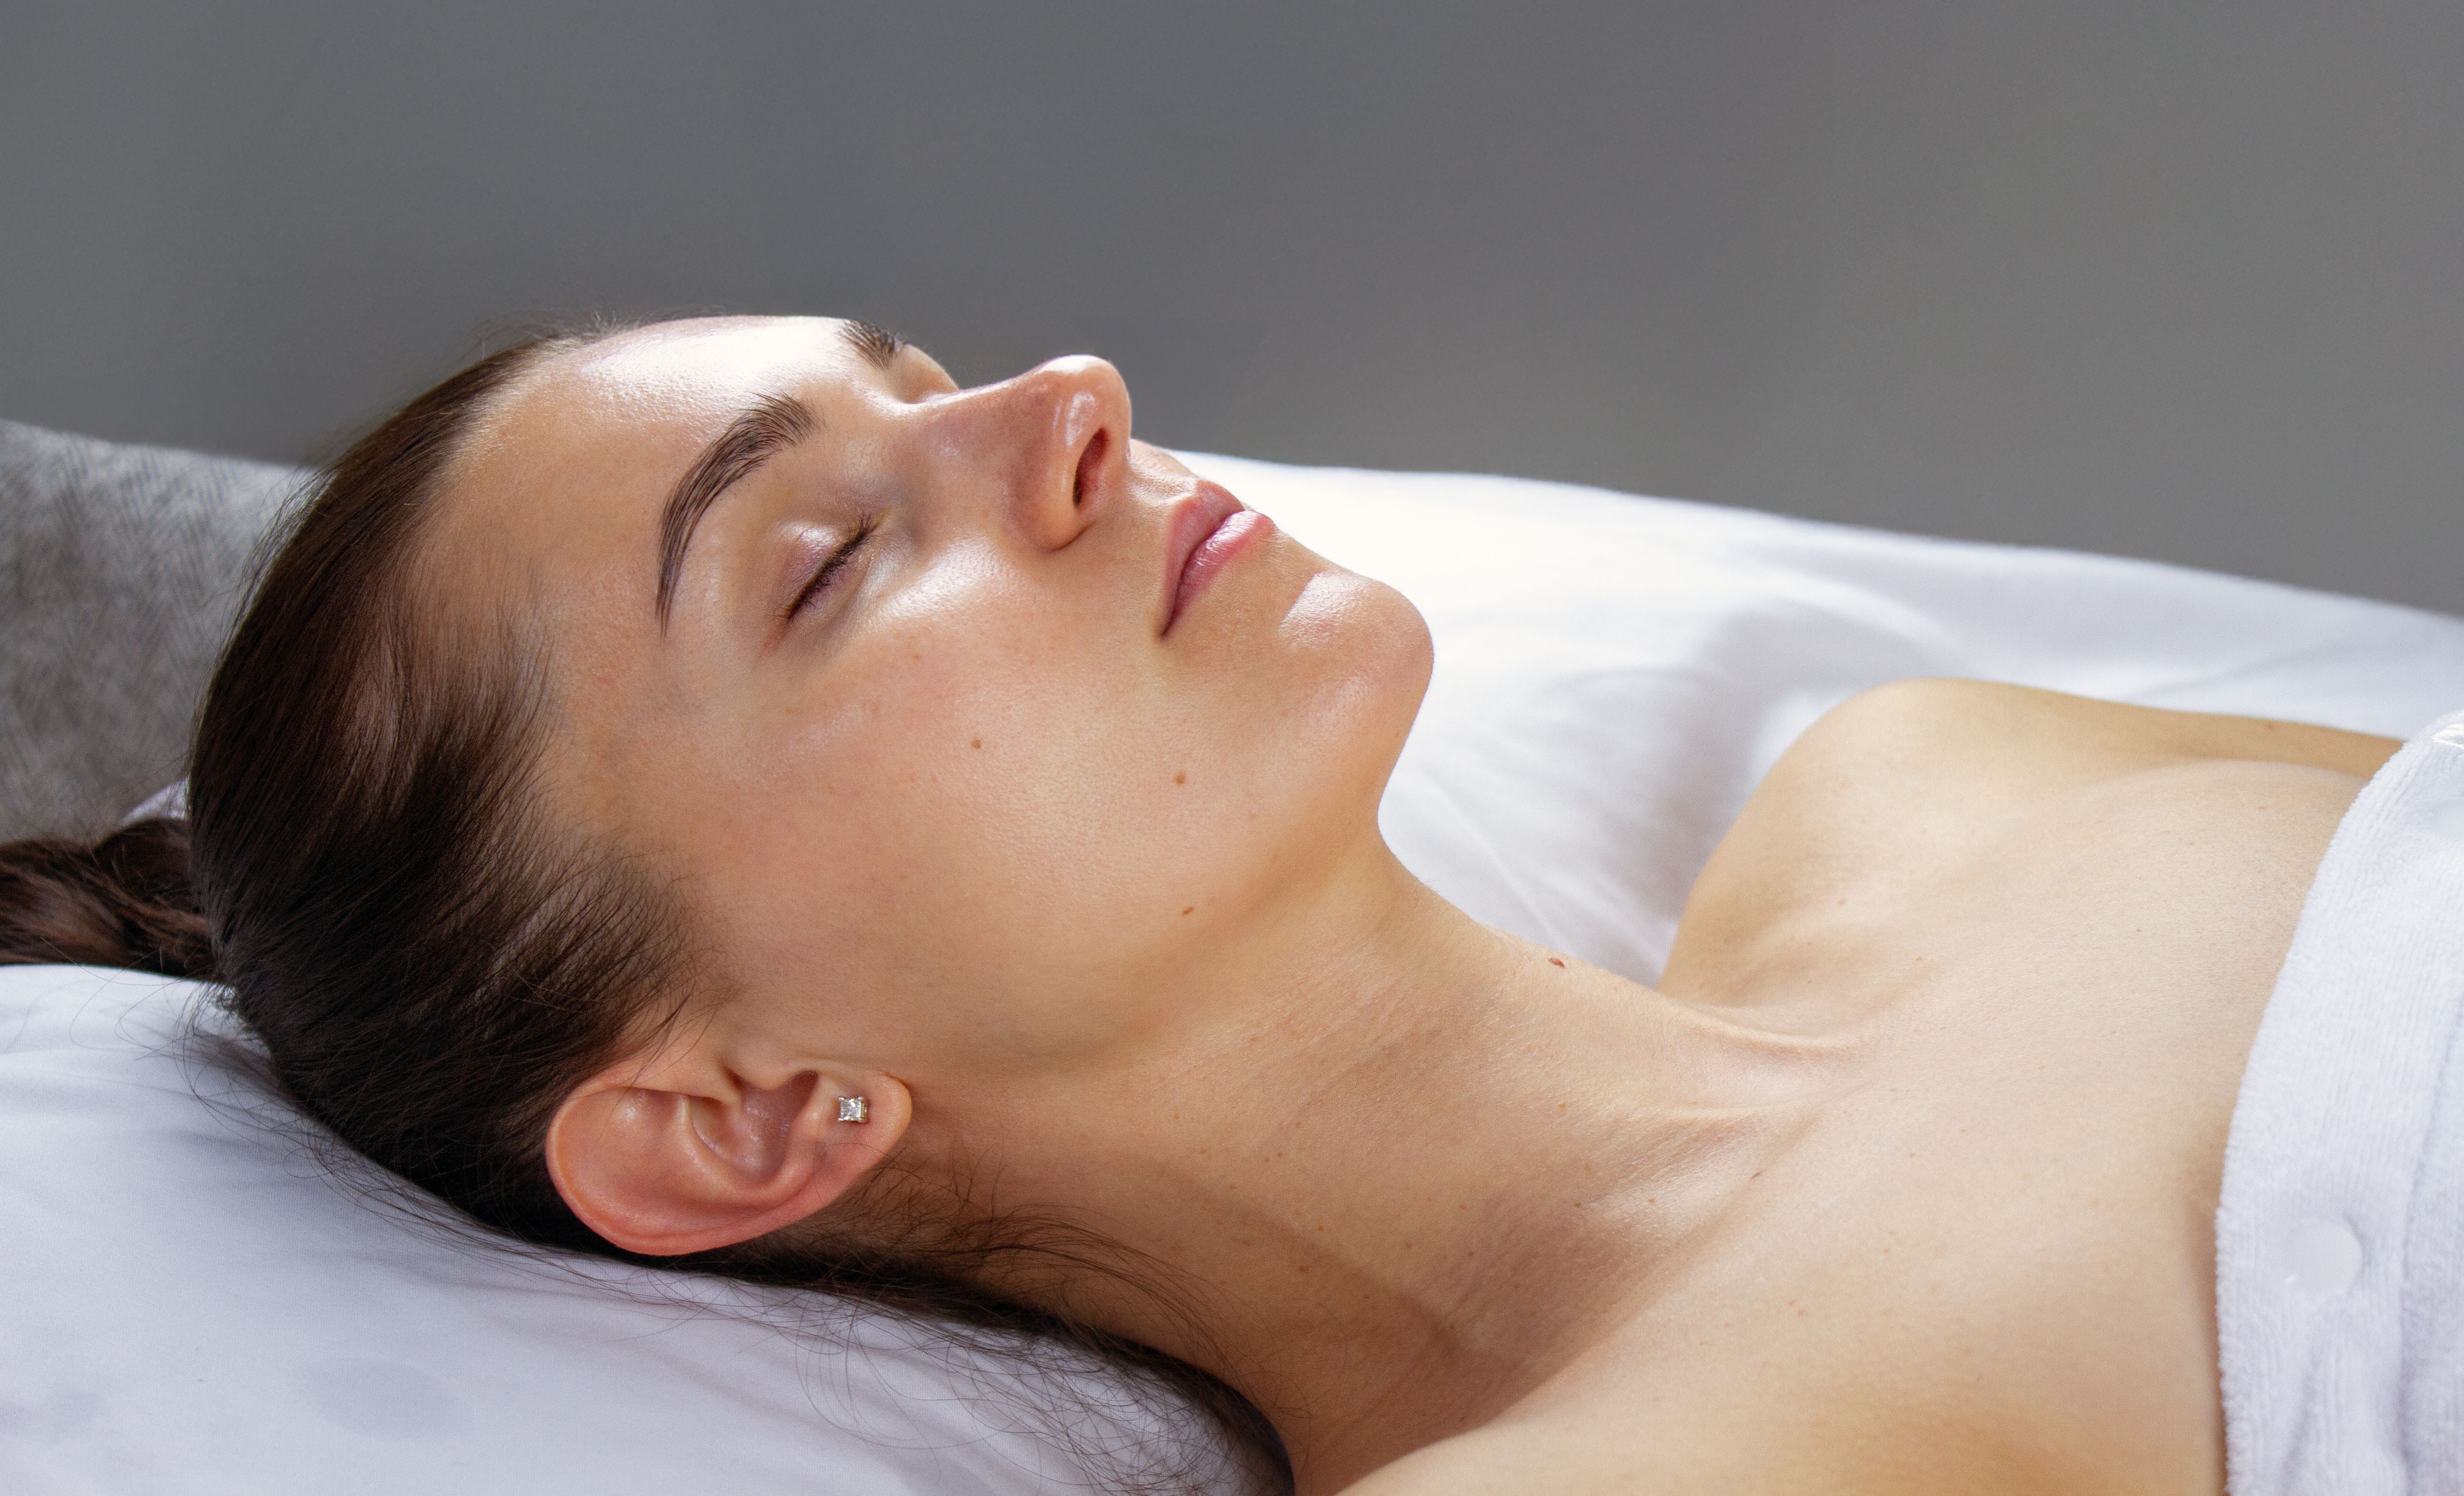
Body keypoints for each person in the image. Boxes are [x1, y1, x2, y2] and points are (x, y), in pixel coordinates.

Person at [0, 316, 2402, 1495]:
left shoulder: (1930, 787)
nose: (1065, 399)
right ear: (740, 1117)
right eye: (828, 560)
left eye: (921, 375)